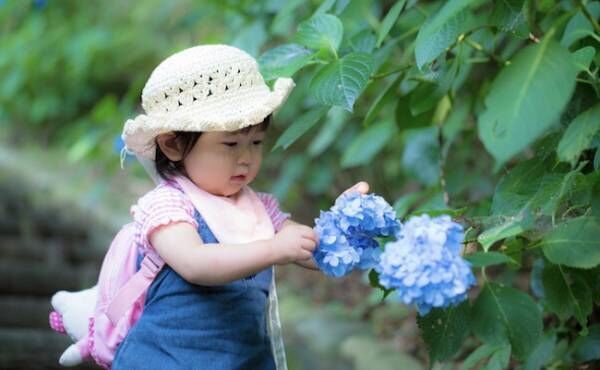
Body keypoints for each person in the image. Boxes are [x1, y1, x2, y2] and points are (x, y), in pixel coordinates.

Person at [111, 44, 369, 369]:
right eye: (230, 144)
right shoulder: (168, 206)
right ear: (173, 145)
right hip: (166, 360)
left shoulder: (260, 208)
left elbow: (306, 248)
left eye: (256, 143)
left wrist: (342, 226)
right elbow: (195, 263)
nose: (246, 157)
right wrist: (275, 249)